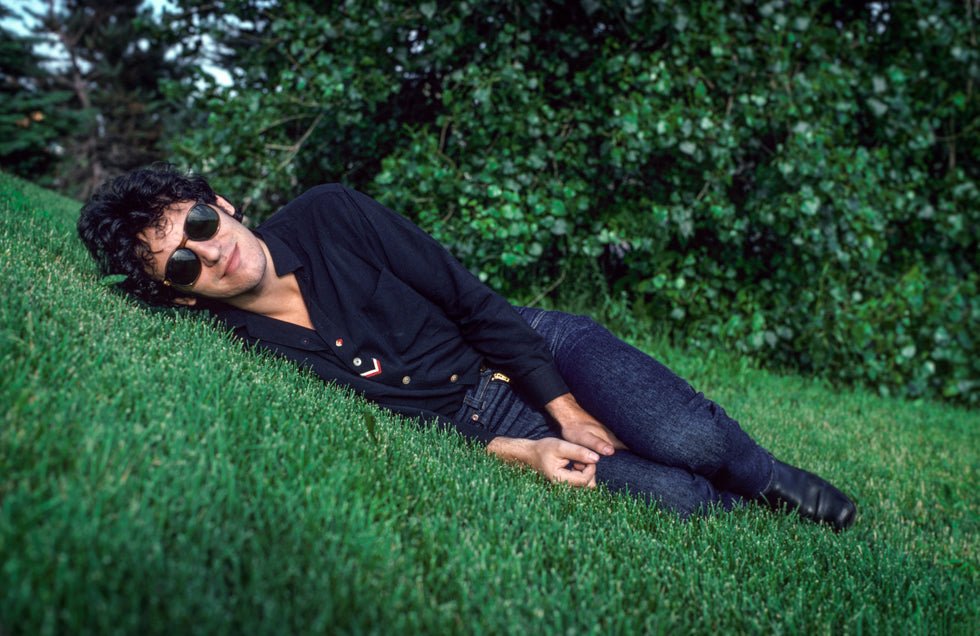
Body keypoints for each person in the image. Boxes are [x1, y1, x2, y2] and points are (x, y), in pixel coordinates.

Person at [77, 164, 857, 530]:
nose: (209, 254)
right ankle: (743, 512)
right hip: (487, 424)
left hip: (532, 347)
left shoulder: (331, 213)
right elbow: (395, 428)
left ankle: (768, 476)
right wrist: (524, 450)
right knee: (682, 500)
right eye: (181, 261)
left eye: (201, 225)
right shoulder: (238, 343)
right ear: (177, 293)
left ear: (223, 204)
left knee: (686, 435)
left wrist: (565, 406)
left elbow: (474, 302)